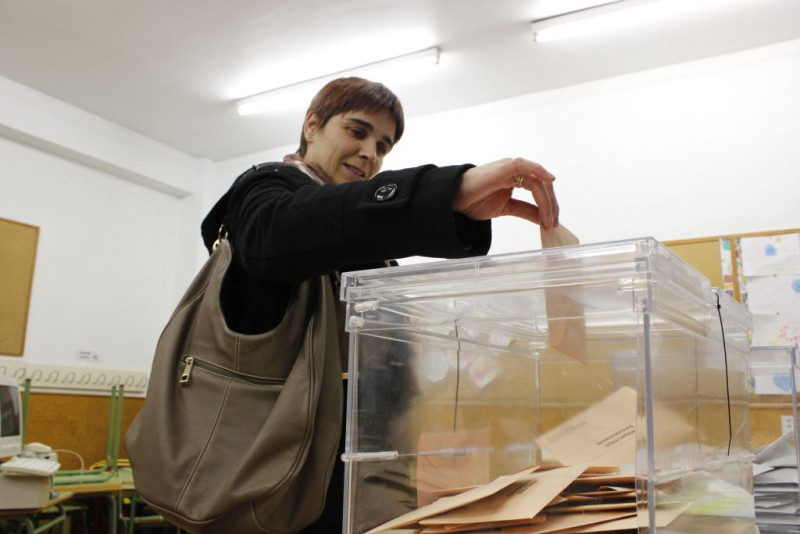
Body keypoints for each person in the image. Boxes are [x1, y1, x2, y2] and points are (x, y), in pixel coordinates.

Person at [200, 76, 559, 533]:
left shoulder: (368, 243)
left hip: (360, 479)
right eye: (357, 132)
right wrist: (446, 190)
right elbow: (283, 233)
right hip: (267, 482)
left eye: (384, 145)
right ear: (312, 126)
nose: (371, 152)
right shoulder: (263, 191)